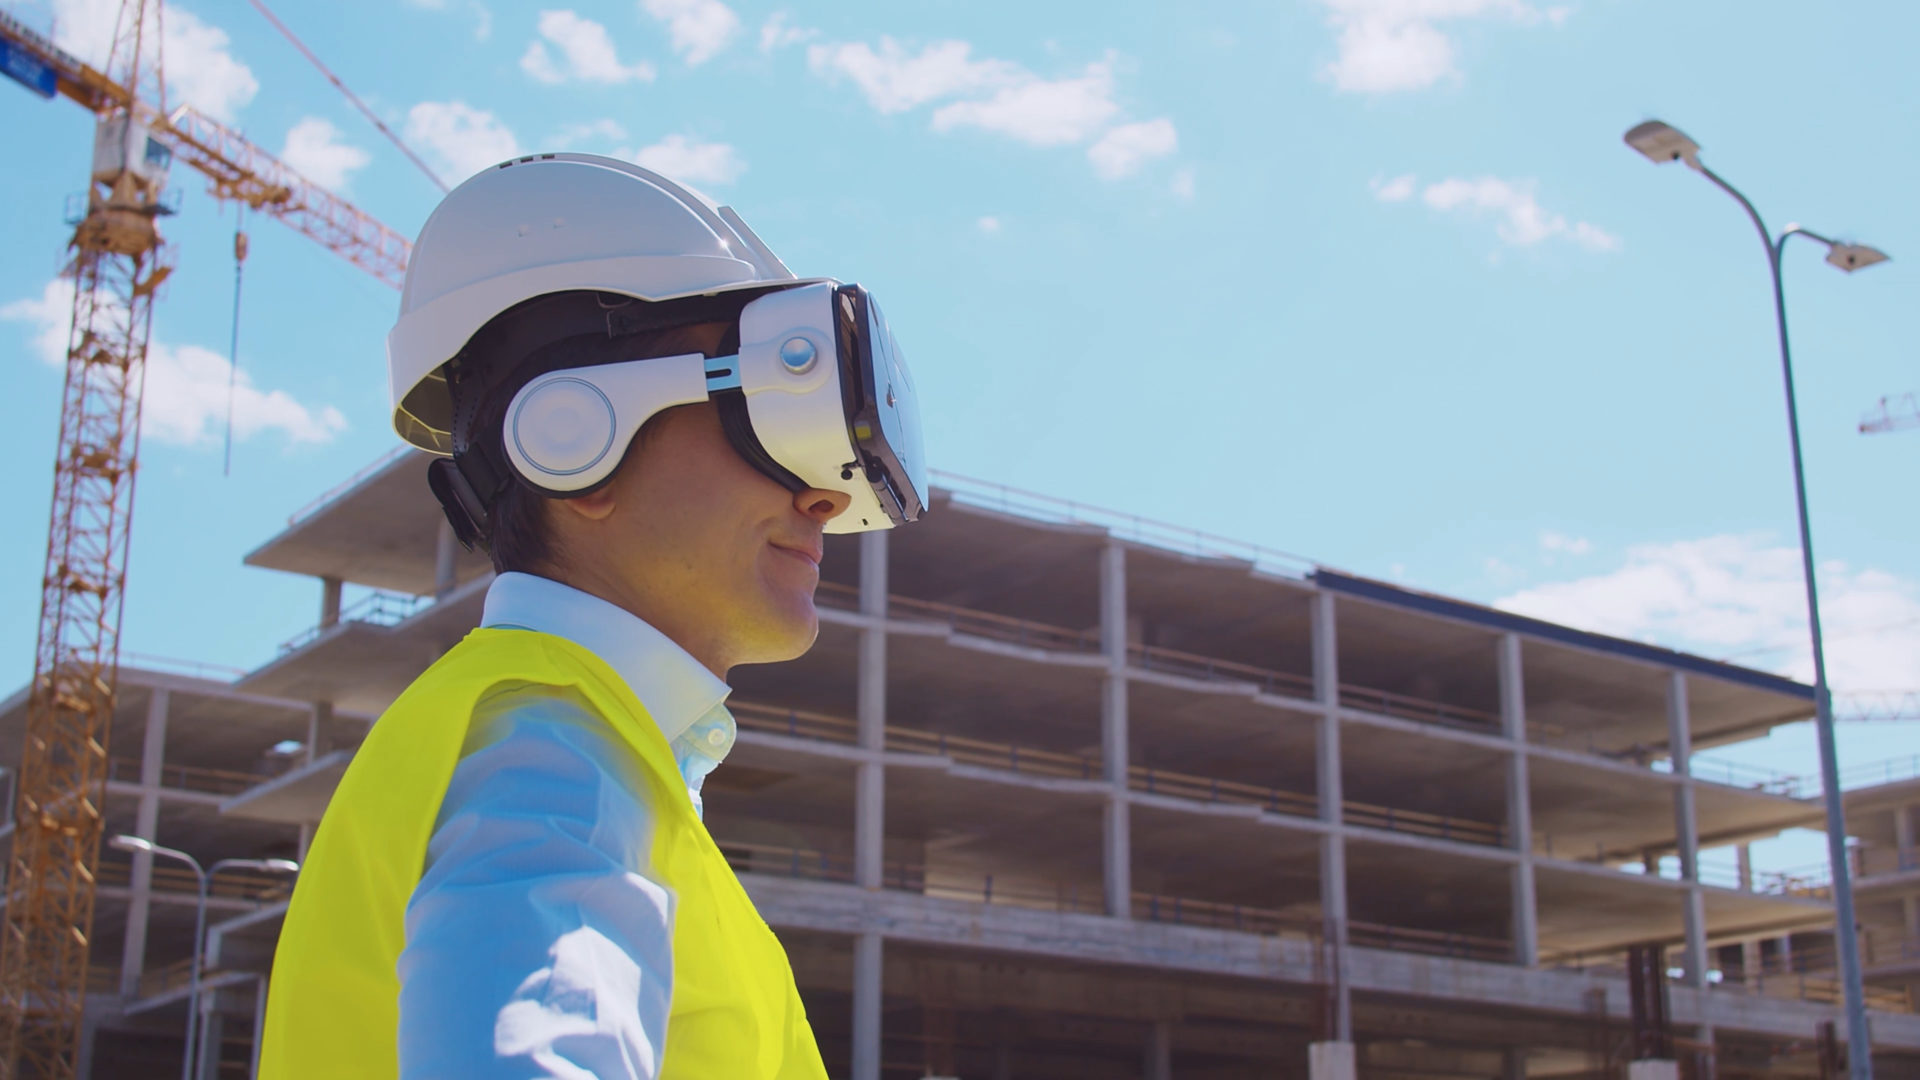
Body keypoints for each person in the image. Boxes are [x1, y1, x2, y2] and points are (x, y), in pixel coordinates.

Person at [259, 154, 927, 1079]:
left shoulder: (573, 751)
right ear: (572, 438)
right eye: (766, 418)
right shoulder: (552, 761)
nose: (823, 495)